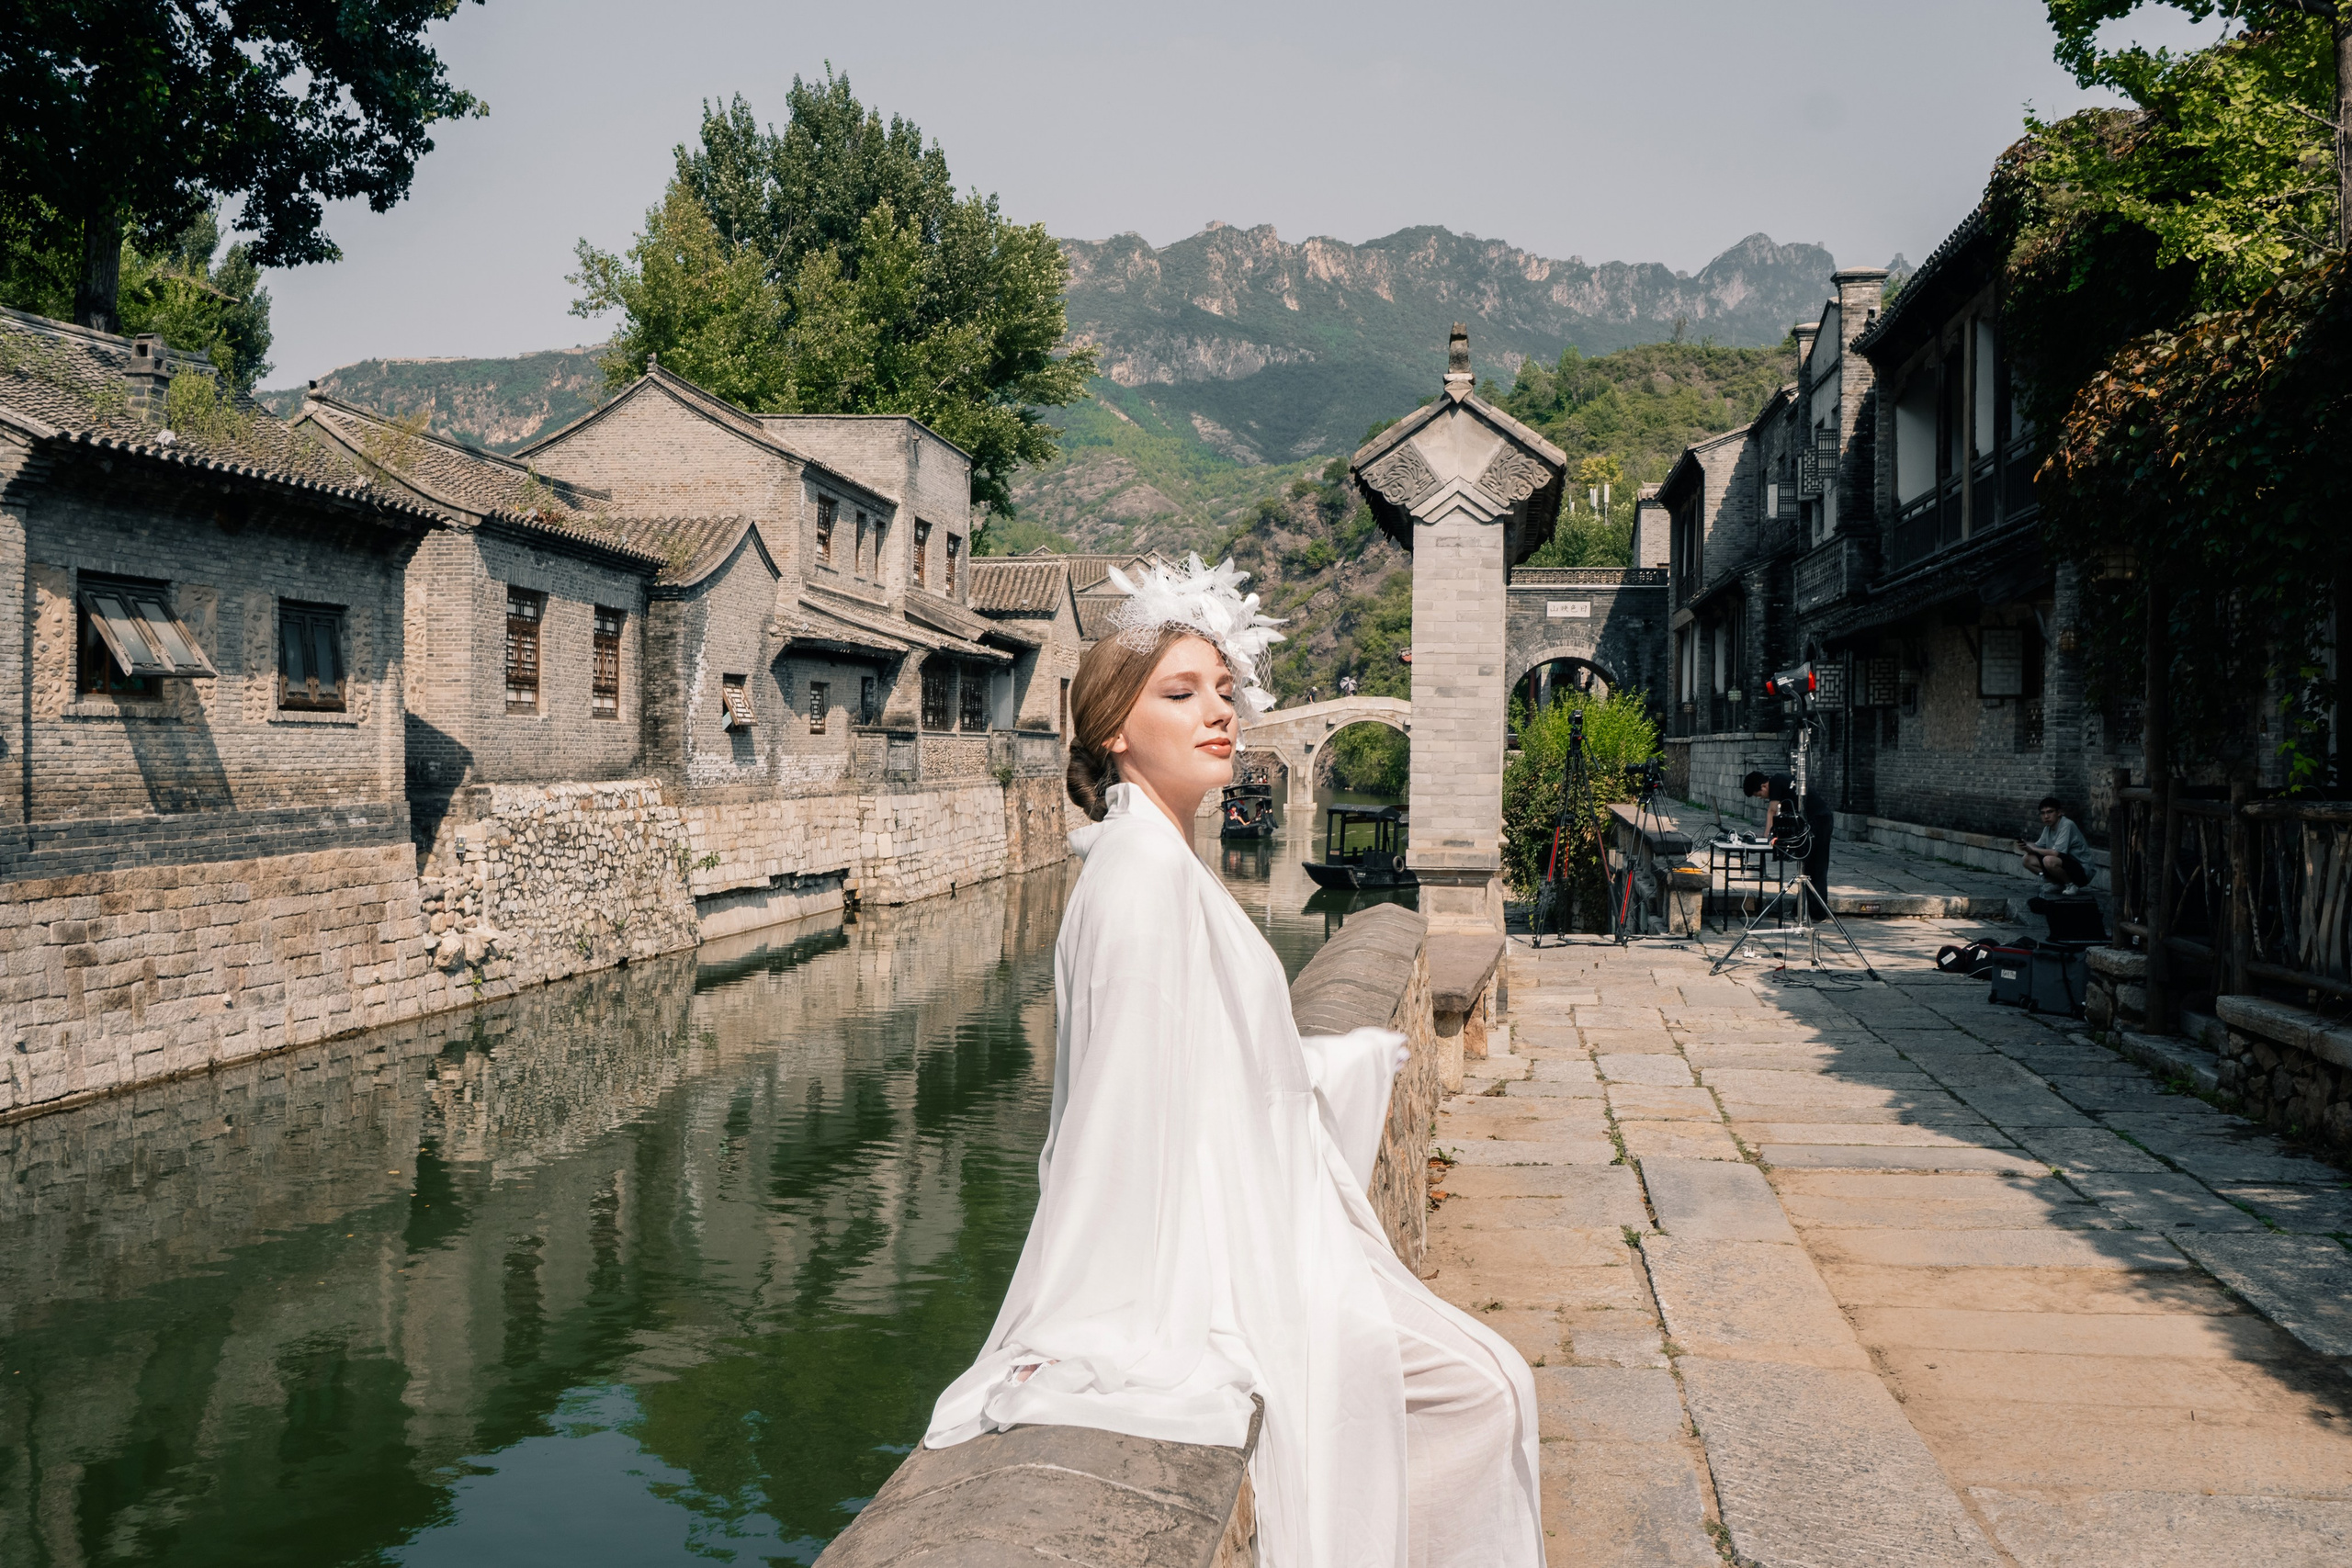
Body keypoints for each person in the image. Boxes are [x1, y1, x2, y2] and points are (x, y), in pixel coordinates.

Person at [924, 556, 1544, 1568]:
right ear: (1116, 729)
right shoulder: (1135, 883)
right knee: (1481, 1390)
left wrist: (1331, 1065)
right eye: (1181, 694)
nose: (1220, 712)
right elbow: (1112, 1116)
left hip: (1265, 1214)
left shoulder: (1166, 862)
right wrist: (1110, 1312)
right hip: (1223, 1253)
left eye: (1224, 690)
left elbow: (1215, 1064)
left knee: (1489, 1383)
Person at [1743, 767, 1833, 919]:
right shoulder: (1782, 785)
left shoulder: (1777, 781)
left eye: (1759, 795)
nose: (1762, 798)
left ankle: (1819, 914)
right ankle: (1798, 910)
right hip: (1811, 823)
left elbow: (1772, 811)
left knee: (1817, 868)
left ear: (1764, 786)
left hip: (1820, 821)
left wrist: (1766, 836)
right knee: (1805, 869)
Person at [2019, 796, 2093, 893]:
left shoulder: (2067, 825)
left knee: (2049, 860)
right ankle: (2058, 884)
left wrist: (2033, 849)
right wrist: (2026, 846)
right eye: (2043, 813)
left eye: (2050, 812)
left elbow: (2055, 853)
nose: (2046, 816)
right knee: (2027, 859)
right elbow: (2037, 847)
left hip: (2082, 871)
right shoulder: (2048, 828)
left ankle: (2071, 885)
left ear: (2059, 813)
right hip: (2065, 865)